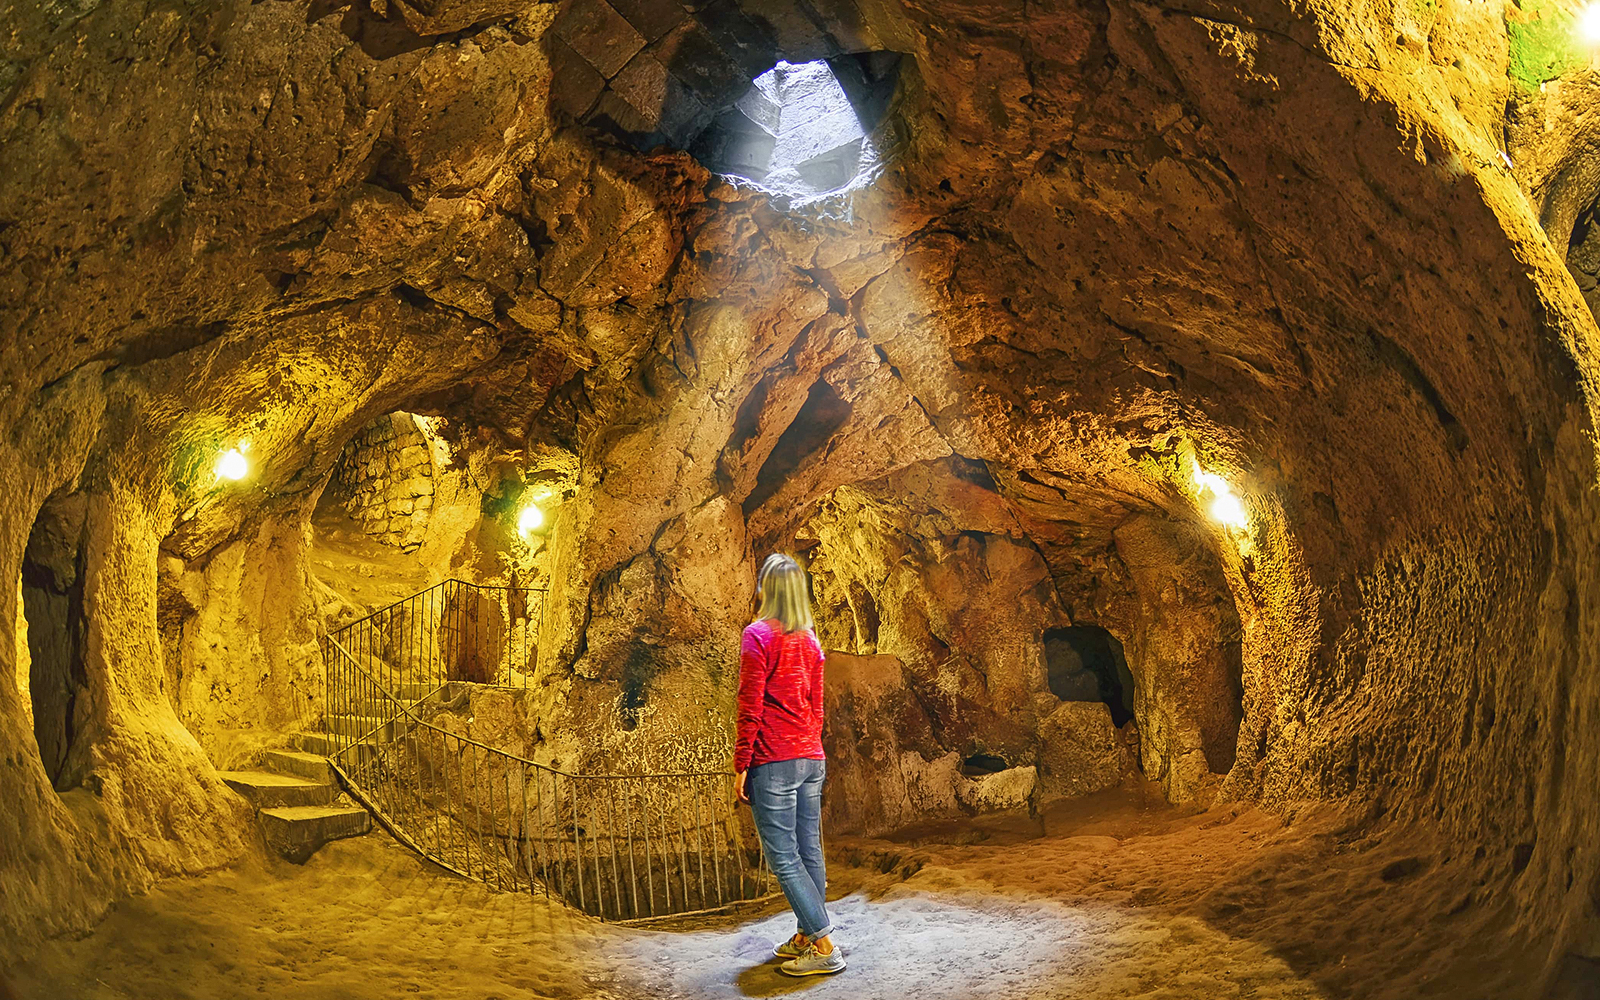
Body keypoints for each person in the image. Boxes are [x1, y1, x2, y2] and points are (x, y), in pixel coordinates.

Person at [734, 553, 845, 977]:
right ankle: (804, 935)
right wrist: (810, 748)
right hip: (810, 757)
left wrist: (743, 762)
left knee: (783, 857)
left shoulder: (757, 636)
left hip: (774, 759)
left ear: (767, 589)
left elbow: (751, 704)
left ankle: (824, 945)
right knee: (809, 850)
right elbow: (817, 708)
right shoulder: (811, 641)